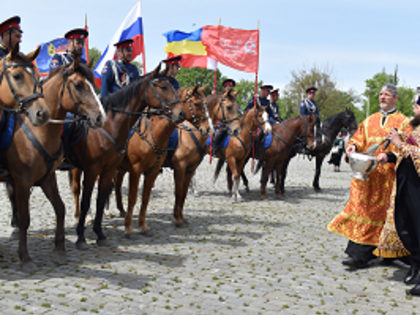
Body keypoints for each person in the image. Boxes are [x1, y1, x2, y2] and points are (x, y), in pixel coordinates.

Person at [327, 83, 412, 269]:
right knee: (363, 212)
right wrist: (353, 147)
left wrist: (388, 156)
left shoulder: (404, 122)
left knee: (389, 216)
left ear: (395, 98)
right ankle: (358, 255)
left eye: (387, 94)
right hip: (369, 177)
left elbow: (410, 150)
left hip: (390, 179)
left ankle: (388, 253)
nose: (382, 97)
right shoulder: (370, 120)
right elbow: (358, 138)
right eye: (381, 94)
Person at [374, 101, 420, 291]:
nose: (414, 111)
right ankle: (416, 265)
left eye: (417, 107)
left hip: (417, 190)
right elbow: (408, 154)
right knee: (407, 228)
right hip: (406, 187)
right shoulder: (416, 129)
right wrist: (391, 156)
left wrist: (400, 143)